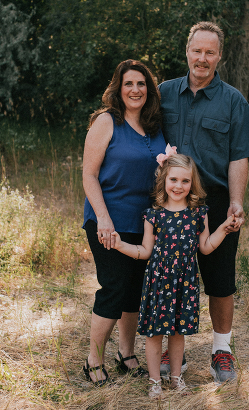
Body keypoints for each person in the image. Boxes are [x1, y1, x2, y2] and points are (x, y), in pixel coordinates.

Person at [158, 21, 249, 383]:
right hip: (171, 204)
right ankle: (175, 353)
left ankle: (222, 350)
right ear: (187, 52)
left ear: (219, 56)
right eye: (196, 50)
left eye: (210, 52)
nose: (202, 58)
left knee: (220, 279)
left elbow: (239, 157)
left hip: (215, 203)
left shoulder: (233, 101)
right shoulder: (164, 94)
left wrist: (236, 202)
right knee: (169, 277)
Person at [107, 151, 236, 399]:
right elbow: (145, 251)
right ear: (164, 180)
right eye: (173, 180)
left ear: (192, 183)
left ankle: (176, 378)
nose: (179, 186)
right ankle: (155, 381)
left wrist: (223, 229)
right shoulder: (153, 215)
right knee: (155, 334)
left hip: (185, 284)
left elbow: (206, 247)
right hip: (158, 283)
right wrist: (119, 244)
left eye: (185, 181)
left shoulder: (198, 213)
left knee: (178, 333)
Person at [81, 59, 166, 385]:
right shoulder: (106, 122)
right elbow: (89, 174)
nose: (135, 90)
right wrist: (103, 218)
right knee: (114, 288)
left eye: (141, 84)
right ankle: (93, 360)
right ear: (118, 88)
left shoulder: (155, 126)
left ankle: (126, 354)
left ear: (149, 89)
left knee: (135, 293)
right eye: (129, 84)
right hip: (108, 220)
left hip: (145, 222)